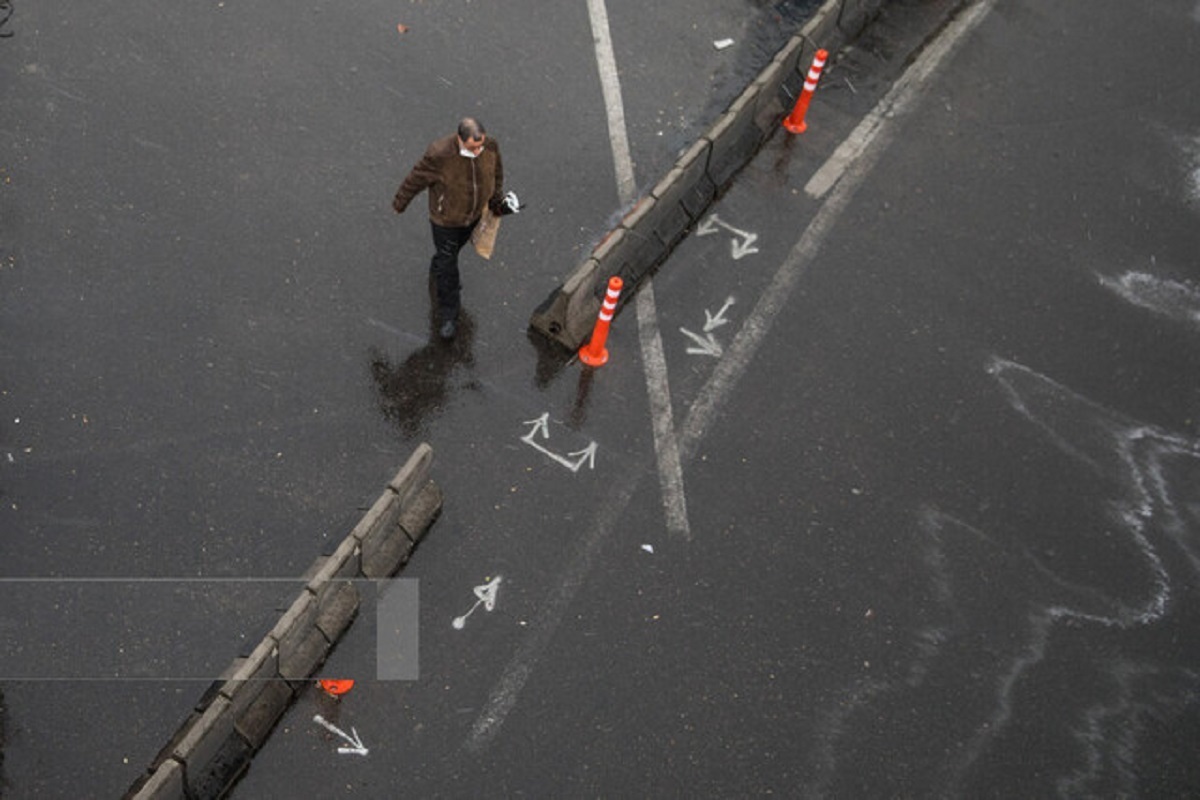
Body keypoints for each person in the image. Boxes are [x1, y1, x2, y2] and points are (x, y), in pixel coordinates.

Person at [392, 117, 504, 340]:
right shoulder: (439, 154)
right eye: (473, 147)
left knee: (450, 254)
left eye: (480, 145)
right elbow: (416, 179)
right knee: (449, 267)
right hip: (446, 221)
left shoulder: (490, 145)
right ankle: (449, 315)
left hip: (472, 217)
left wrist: (496, 200)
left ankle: (439, 265)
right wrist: (400, 202)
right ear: (460, 140)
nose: (478, 150)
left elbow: (496, 174)